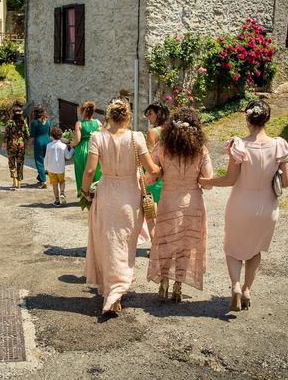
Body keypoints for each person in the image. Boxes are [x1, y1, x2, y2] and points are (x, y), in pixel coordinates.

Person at [199, 100, 288, 311]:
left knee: (233, 249)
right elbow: (285, 182)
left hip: (241, 203)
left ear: (248, 119)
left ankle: (236, 286)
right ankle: (248, 289)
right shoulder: (280, 144)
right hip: (267, 206)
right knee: (255, 249)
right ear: (267, 119)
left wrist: (206, 181)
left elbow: (230, 179)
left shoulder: (239, 145)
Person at [81, 98, 160, 315]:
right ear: (128, 117)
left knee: (108, 244)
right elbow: (152, 169)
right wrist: (161, 170)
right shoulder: (137, 137)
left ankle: (111, 291)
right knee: (125, 245)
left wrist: (85, 192)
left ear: (108, 116)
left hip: (106, 195)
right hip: (130, 197)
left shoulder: (98, 137)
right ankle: (116, 291)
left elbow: (89, 171)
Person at [147, 108, 213, 303]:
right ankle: (178, 286)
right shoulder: (201, 148)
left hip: (168, 200)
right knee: (187, 245)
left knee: (166, 242)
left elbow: (152, 176)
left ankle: (164, 281)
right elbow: (208, 181)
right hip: (193, 203)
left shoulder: (163, 146)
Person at [71, 101, 102, 198]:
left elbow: (77, 140)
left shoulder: (79, 123)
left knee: (82, 172)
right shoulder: (98, 122)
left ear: (82, 111)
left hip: (82, 150)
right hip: (96, 148)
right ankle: (98, 193)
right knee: (97, 172)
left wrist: (71, 144)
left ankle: (84, 195)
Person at [144, 102, 169, 203]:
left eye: (150, 113)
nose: (148, 117)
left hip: (157, 176)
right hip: (172, 175)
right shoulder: (172, 130)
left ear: (158, 114)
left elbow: (149, 156)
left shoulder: (153, 132)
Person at [44, 126, 74, 206]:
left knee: (54, 184)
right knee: (62, 181)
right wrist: (72, 149)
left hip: (51, 169)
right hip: (60, 169)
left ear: (51, 136)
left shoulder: (48, 145)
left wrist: (45, 168)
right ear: (61, 136)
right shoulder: (63, 146)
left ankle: (57, 200)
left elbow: (46, 157)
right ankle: (62, 193)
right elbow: (68, 156)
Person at [3, 106, 30, 189]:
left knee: (11, 162)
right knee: (20, 162)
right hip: (21, 145)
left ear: (12, 113)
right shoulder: (23, 122)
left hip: (11, 145)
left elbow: (6, 135)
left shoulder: (10, 123)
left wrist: (4, 143)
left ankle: (14, 180)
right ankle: (19, 181)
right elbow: (27, 134)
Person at [30, 105, 51, 188]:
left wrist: (29, 144)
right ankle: (40, 177)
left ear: (35, 113)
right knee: (46, 160)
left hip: (39, 142)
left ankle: (43, 181)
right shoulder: (48, 121)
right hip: (47, 141)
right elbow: (49, 132)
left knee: (39, 161)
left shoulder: (34, 123)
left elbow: (32, 136)